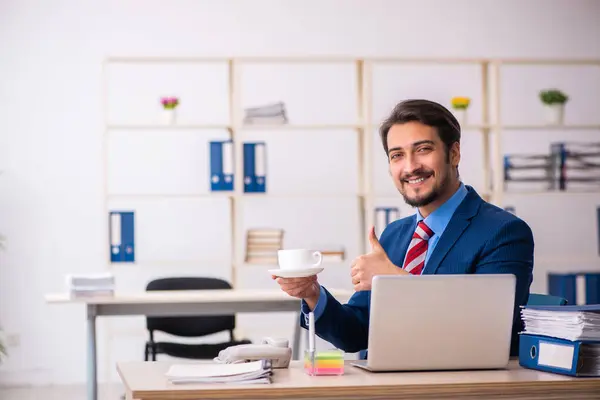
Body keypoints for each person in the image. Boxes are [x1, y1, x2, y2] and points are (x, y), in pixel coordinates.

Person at [273, 99, 534, 357]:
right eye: (397, 155)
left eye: (423, 149)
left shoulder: (504, 232)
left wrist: (396, 279)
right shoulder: (395, 234)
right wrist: (313, 294)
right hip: (385, 385)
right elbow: (356, 334)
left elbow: (486, 328)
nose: (410, 167)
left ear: (453, 154)